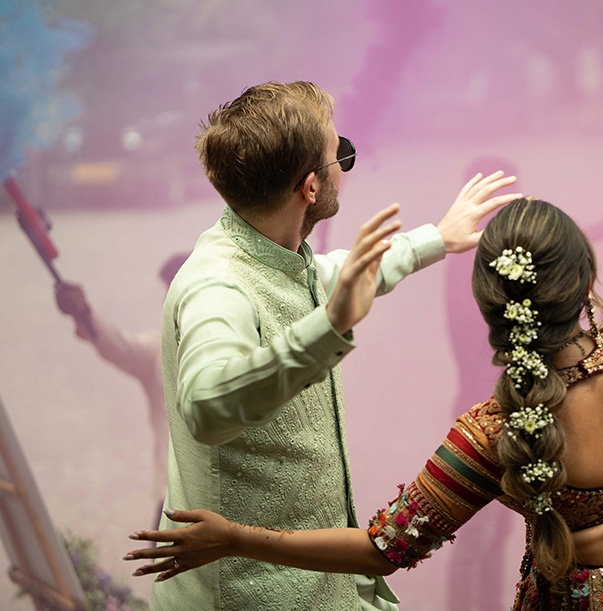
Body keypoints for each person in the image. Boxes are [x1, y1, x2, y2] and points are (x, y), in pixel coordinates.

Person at [125, 142, 603, 611]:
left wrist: (238, 538)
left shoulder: (495, 433)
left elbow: (384, 545)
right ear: (588, 279)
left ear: (490, 306)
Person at [146, 80, 519, 611]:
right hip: (251, 596)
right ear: (311, 188)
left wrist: (437, 236)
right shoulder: (217, 287)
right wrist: (330, 327)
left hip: (311, 585)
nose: (345, 165)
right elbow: (207, 407)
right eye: (338, 154)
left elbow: (335, 274)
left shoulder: (269, 252)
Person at [54, 252, 188, 525]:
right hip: (172, 501)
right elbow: (115, 344)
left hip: (226, 503)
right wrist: (83, 312)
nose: (169, 300)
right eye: (168, 292)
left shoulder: (242, 351)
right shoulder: (158, 351)